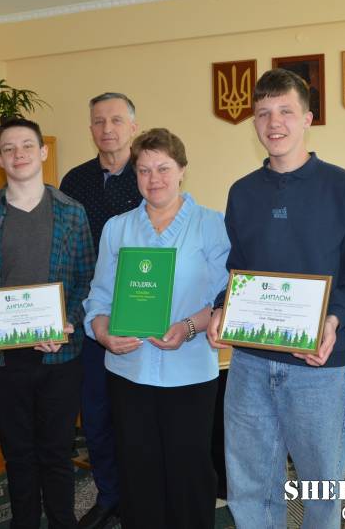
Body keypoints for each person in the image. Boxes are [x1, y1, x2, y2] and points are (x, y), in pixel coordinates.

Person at [207, 68, 345, 528]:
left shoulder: (344, 187)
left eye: (285, 110)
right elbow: (238, 270)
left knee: (321, 489)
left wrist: (334, 319)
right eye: (263, 113)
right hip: (249, 364)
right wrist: (223, 307)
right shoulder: (242, 193)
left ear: (307, 118)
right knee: (251, 488)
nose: (274, 122)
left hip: (316, 367)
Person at [84, 128, 230, 529]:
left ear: (182, 170)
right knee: (138, 471)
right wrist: (103, 333)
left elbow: (225, 297)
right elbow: (99, 296)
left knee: (189, 473)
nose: (154, 179)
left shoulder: (211, 224)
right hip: (129, 371)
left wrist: (188, 326)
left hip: (190, 371)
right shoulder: (117, 227)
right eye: (144, 170)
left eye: (163, 168)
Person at [0, 118, 95, 529]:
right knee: (17, 453)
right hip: (4, 359)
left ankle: (63, 521)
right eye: (9, 148)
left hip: (59, 355)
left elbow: (87, 281)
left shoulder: (72, 213)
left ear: (43, 152)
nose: (19, 155)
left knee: (56, 451)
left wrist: (68, 322)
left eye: (27, 146)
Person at [59, 92, 142, 529]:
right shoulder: (75, 181)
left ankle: (142, 498)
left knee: (137, 416)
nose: (107, 129)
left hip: (142, 316)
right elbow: (64, 251)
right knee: (96, 416)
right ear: (90, 128)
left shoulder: (149, 172)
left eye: (116, 120)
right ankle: (110, 497)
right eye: (98, 121)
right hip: (90, 319)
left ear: (133, 126)